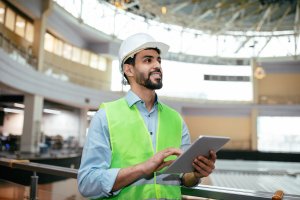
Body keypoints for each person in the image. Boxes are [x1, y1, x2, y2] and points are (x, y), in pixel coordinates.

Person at [78, 33, 217, 199]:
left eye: (159, 60)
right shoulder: (105, 116)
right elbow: (87, 183)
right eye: (148, 60)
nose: (157, 65)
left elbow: (184, 177)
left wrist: (196, 174)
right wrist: (143, 168)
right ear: (128, 69)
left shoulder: (176, 119)